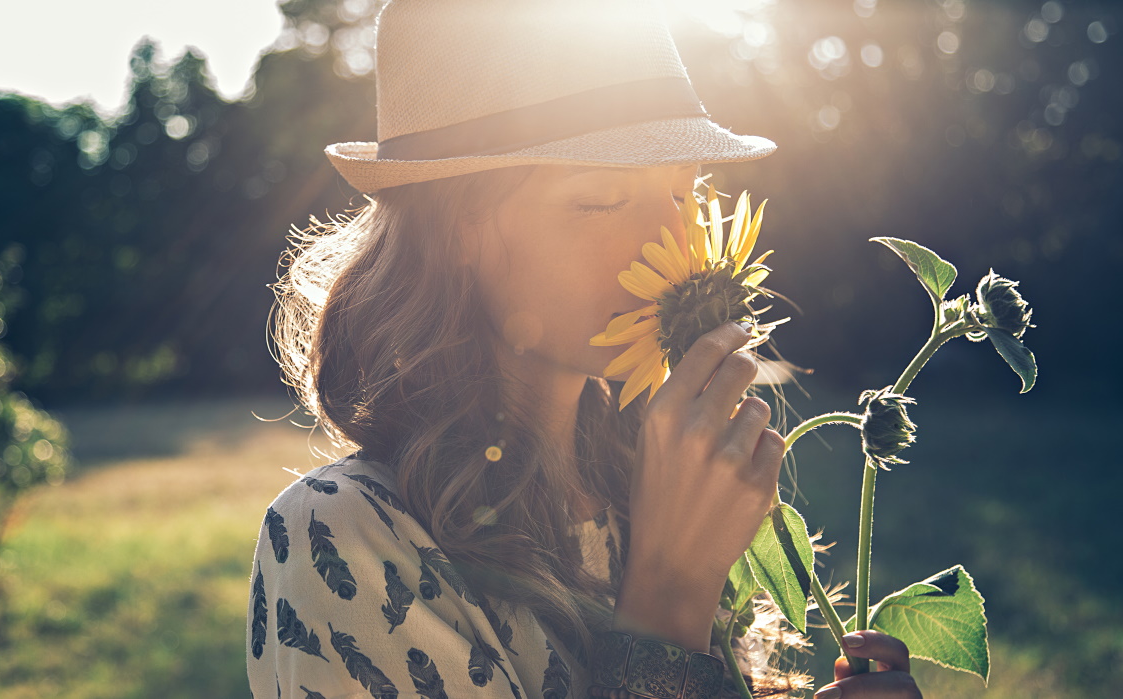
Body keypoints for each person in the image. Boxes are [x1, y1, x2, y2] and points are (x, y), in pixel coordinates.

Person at [247, 1, 924, 698]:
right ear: (456, 230)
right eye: (601, 200)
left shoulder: (644, 489)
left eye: (684, 192)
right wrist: (670, 590)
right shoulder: (341, 539)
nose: (675, 245)